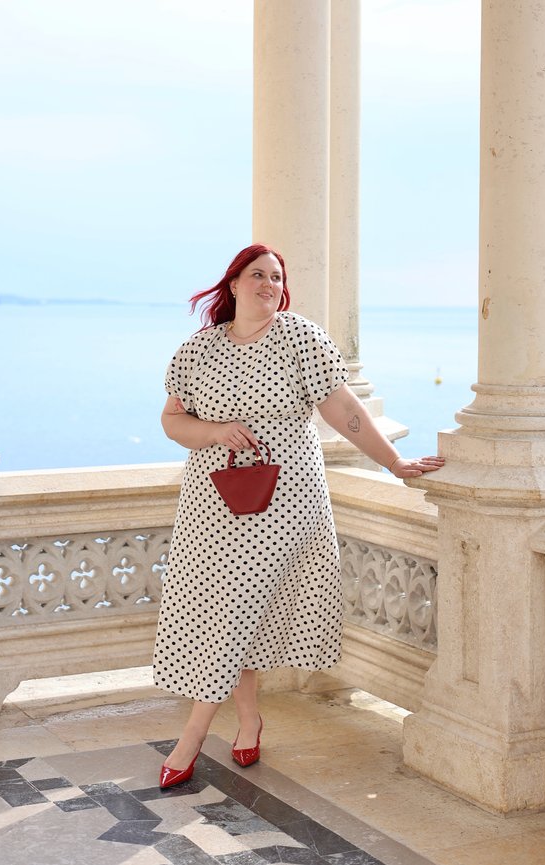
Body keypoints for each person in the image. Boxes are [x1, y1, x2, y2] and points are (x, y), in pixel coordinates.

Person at [153, 243, 444, 788]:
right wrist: (215, 432)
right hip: (211, 502)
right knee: (232, 613)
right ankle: (248, 720)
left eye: (277, 277)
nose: (269, 284)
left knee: (235, 610)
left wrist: (395, 461)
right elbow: (173, 422)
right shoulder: (198, 349)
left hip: (285, 503)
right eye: (257, 275)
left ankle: (191, 736)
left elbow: (344, 410)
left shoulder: (299, 337)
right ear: (233, 284)